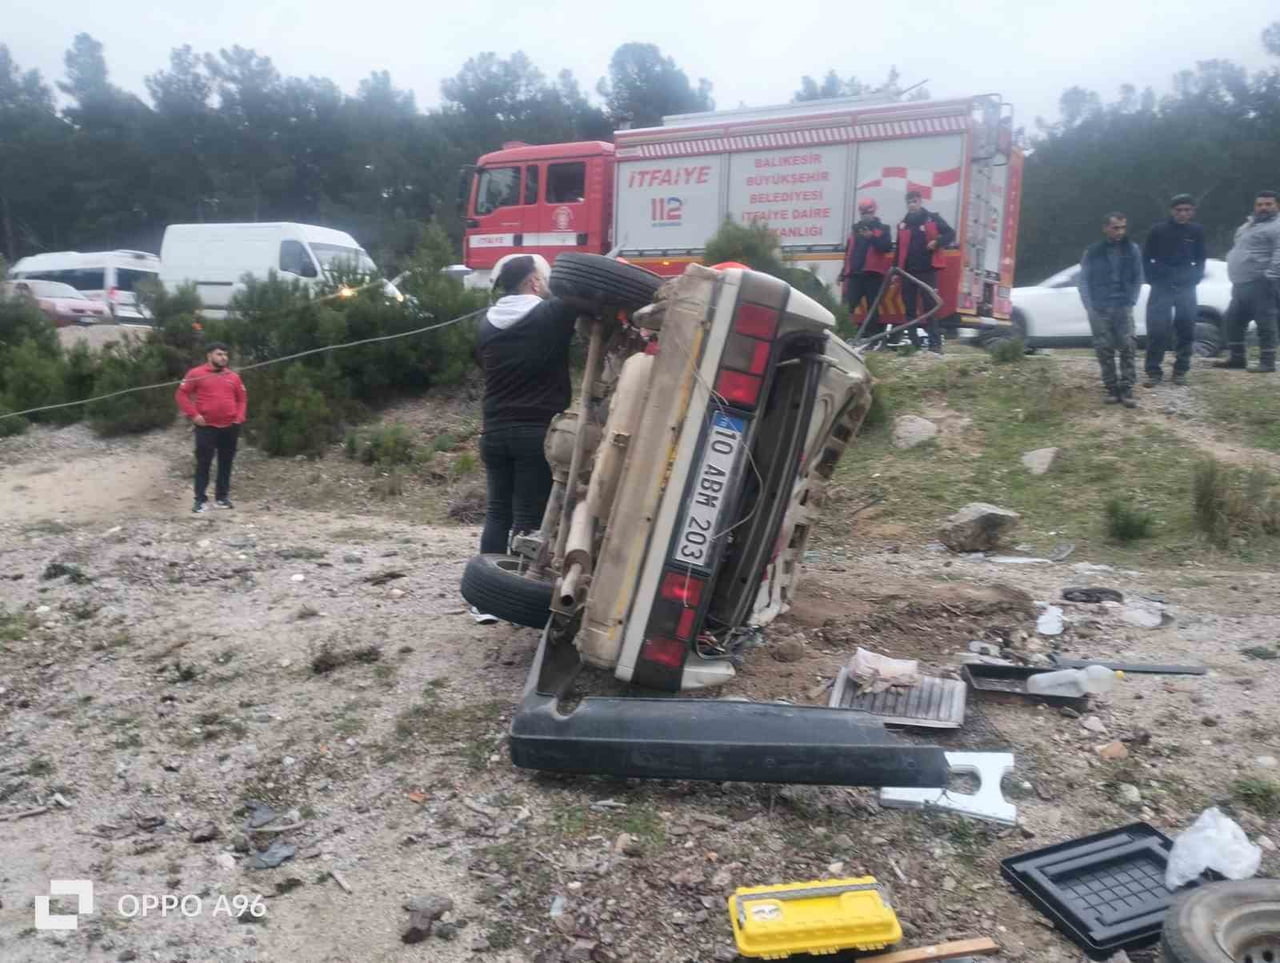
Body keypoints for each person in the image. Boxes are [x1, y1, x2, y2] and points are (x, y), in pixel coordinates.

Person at [473, 253, 579, 620]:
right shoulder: (550, 315)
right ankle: (513, 598)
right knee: (528, 518)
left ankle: (484, 602)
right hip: (535, 432)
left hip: (493, 431)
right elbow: (578, 301)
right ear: (533, 282)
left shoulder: (485, 324)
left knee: (497, 512)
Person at [1078, 213, 1144, 407]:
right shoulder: (1093, 252)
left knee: (1128, 346)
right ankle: (1111, 388)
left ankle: (1127, 387)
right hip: (1100, 307)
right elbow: (1083, 280)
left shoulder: (1132, 249)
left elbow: (1138, 277)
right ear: (1105, 228)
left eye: (1123, 227)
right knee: (1103, 348)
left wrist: (1131, 300)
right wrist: (1089, 306)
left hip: (1123, 305)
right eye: (1116, 228)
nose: (1120, 232)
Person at [175, 342, 247, 512]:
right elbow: (181, 395)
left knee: (226, 463)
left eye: (225, 355)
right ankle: (200, 500)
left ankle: (222, 498)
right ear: (209, 355)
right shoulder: (196, 373)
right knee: (203, 463)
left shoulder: (233, 376)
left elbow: (242, 399)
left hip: (230, 427)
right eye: (219, 354)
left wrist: (239, 418)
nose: (223, 358)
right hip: (206, 427)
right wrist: (194, 415)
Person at [1143, 194, 1207, 387]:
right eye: (1179, 210)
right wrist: (1152, 278)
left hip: (1186, 287)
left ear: (1192, 212)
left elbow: (1201, 258)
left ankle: (1180, 371)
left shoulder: (1196, 231)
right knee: (1157, 330)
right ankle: (1153, 372)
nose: (1183, 214)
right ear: (1172, 211)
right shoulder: (1158, 230)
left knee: (1186, 328)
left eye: (1187, 210)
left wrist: (1195, 278)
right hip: (1161, 286)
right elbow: (1146, 257)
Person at [1217, 190, 1280, 373]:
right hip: (1240, 283)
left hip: (1262, 281)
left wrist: (1270, 275)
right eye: (1260, 204)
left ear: (1277, 205)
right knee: (1233, 319)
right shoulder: (1248, 225)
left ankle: (1267, 362)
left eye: (1268, 204)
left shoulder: (1277, 226)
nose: (1263, 208)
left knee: (1265, 321)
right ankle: (1237, 359)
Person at [896, 191, 956, 353]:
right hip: (907, 272)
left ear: (920, 201)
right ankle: (913, 344)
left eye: (914, 201)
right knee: (909, 309)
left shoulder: (932, 218)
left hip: (927, 270)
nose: (911, 205)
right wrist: (896, 270)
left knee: (930, 307)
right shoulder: (903, 224)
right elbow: (899, 249)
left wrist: (937, 242)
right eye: (909, 202)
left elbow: (950, 233)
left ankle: (935, 344)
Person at [837, 198, 893, 337]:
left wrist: (871, 237)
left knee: (872, 308)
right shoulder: (855, 229)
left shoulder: (883, 229)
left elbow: (886, 247)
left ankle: (872, 338)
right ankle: (841, 333)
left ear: (873, 212)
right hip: (855, 275)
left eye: (868, 212)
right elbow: (849, 253)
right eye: (863, 213)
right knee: (846, 307)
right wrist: (843, 273)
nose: (865, 216)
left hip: (873, 275)